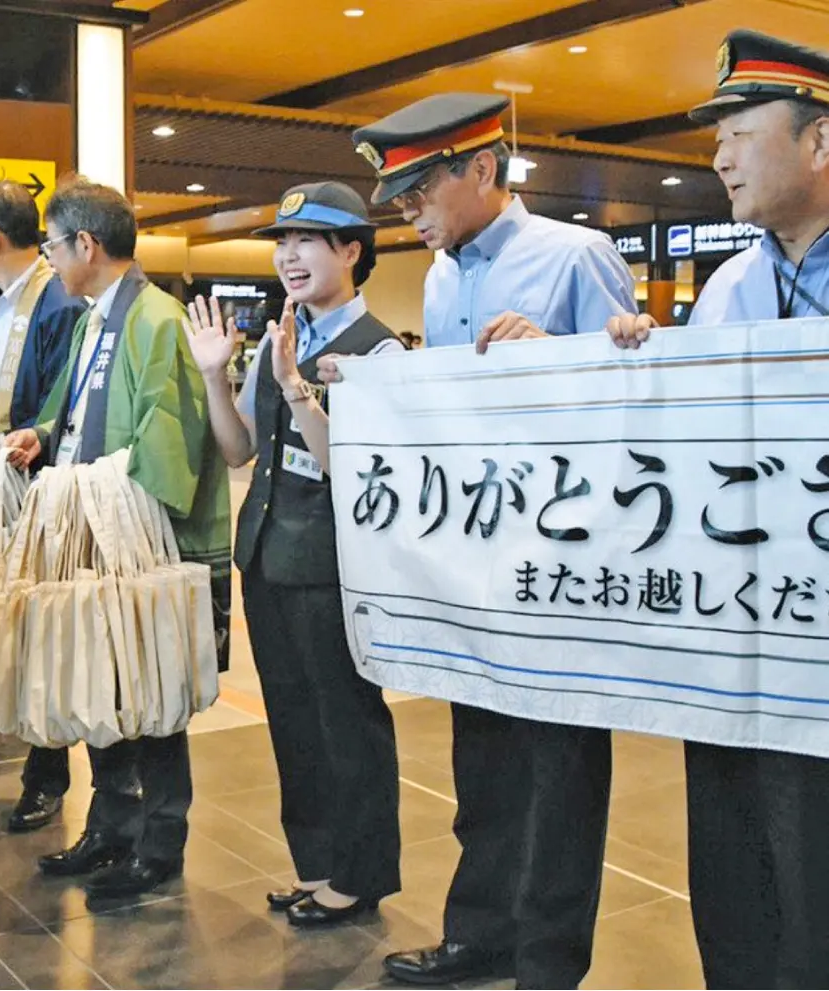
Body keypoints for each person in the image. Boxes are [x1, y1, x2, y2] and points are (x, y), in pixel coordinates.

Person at [330, 93, 637, 989]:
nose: (409, 212)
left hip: (562, 565)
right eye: (399, 199)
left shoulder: (577, 256)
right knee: (486, 763)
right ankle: (480, 931)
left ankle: (548, 960)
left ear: (482, 170)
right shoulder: (439, 277)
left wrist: (557, 354)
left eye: (421, 189)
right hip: (478, 564)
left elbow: (632, 411)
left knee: (560, 777)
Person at [606, 29, 829, 988]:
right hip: (735, 638)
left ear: (819, 141)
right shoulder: (730, 286)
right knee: (736, 849)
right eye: (715, 140)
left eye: (740, 131)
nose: (720, 155)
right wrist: (641, 364)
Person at [184, 182, 402, 925]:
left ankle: (360, 871)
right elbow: (239, 445)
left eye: (309, 240)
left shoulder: (378, 348)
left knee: (346, 721)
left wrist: (298, 391)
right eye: (282, 241)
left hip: (333, 567)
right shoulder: (287, 336)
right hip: (269, 556)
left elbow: (356, 466)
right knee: (294, 723)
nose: (289, 255)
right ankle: (316, 864)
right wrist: (217, 374)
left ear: (351, 251)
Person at [8, 176, 231, 901]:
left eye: (51, 245)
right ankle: (111, 825)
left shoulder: (156, 318)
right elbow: (66, 412)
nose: (49, 258)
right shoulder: (92, 318)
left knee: (152, 693)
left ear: (86, 244)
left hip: (136, 539)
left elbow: (169, 445)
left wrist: (105, 502)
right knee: (101, 686)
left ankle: (159, 841)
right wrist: (37, 435)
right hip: (92, 531)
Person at [0, 181, 86, 833]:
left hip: (23, 477)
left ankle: (46, 772)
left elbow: (59, 405)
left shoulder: (56, 299)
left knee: (36, 623)